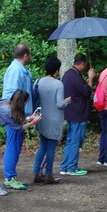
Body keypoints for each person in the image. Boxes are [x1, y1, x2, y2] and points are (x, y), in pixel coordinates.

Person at [0, 90, 42, 195]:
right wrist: (33, 122)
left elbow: (16, 120)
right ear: (21, 102)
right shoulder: (7, 110)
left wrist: (29, 118)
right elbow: (18, 128)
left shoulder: (7, 103)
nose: (25, 104)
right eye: (25, 102)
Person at [32, 56, 71, 184]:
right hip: (54, 120)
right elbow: (60, 104)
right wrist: (67, 101)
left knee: (43, 145)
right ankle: (49, 174)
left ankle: (36, 172)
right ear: (56, 70)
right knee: (51, 148)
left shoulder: (38, 81)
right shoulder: (58, 84)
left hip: (41, 118)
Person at [2, 43, 33, 189]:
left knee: (15, 145)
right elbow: (12, 95)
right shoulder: (15, 70)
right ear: (26, 55)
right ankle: (9, 177)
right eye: (30, 54)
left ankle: (11, 175)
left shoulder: (20, 70)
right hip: (15, 114)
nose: (30, 57)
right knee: (13, 145)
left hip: (19, 113)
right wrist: (17, 115)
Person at [60, 53, 96, 176]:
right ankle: (72, 167)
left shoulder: (68, 74)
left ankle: (65, 166)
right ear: (82, 63)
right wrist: (90, 78)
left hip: (70, 112)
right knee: (75, 140)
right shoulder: (74, 76)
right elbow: (86, 91)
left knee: (70, 140)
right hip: (77, 113)